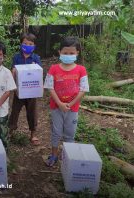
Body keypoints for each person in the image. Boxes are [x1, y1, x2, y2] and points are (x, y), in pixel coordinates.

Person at [44, 36, 89, 167]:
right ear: (59, 52)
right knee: (56, 132)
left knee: (70, 134)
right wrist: (60, 104)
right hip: (56, 107)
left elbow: (83, 89)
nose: (68, 55)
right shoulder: (54, 68)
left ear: (77, 53)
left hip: (73, 109)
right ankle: (54, 155)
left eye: (71, 53)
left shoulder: (81, 69)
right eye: (65, 53)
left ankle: (68, 157)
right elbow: (49, 87)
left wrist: (71, 103)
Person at [9, 33, 42, 145]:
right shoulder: (16, 57)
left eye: (30, 44)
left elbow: (39, 74)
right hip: (19, 91)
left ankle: (33, 134)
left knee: (32, 113)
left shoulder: (36, 58)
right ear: (21, 44)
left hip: (31, 92)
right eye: (25, 43)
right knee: (15, 111)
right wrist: (13, 75)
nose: (27, 45)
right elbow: (13, 71)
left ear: (34, 46)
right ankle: (10, 132)